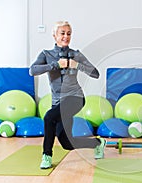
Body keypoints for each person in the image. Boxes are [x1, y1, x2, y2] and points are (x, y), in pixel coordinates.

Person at [29, 21, 106, 169]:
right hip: (58, 102)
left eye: (68, 33)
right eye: (62, 33)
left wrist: (76, 65)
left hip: (75, 98)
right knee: (67, 143)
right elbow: (32, 71)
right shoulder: (46, 54)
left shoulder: (76, 54)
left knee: (49, 117)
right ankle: (98, 143)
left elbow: (95, 73)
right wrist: (56, 65)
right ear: (54, 36)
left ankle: (46, 155)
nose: (66, 36)